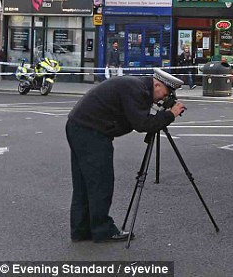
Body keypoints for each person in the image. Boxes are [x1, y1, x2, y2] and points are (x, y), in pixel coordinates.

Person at [66, 73, 185, 243]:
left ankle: (81, 230)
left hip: (79, 126)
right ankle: (102, 230)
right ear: (157, 85)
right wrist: (169, 115)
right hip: (92, 132)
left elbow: (137, 119)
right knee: (101, 182)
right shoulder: (137, 90)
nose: (162, 100)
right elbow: (142, 124)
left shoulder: (136, 86)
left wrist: (161, 116)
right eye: (165, 94)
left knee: (84, 184)